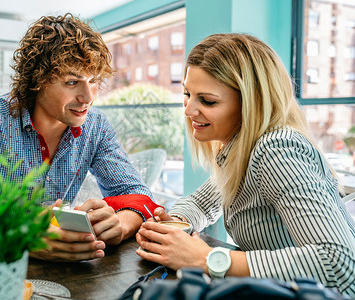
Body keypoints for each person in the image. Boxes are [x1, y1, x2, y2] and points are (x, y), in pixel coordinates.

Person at [0, 13, 162, 262]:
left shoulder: (96, 126)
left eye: (93, 81)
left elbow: (138, 194)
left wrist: (119, 225)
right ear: (37, 80)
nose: (87, 97)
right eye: (72, 82)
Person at [135, 33, 355, 296]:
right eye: (187, 93)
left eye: (207, 100)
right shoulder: (241, 149)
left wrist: (208, 259)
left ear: (252, 102)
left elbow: (339, 264)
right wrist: (175, 226)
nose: (189, 109)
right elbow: (201, 203)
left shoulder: (277, 151)